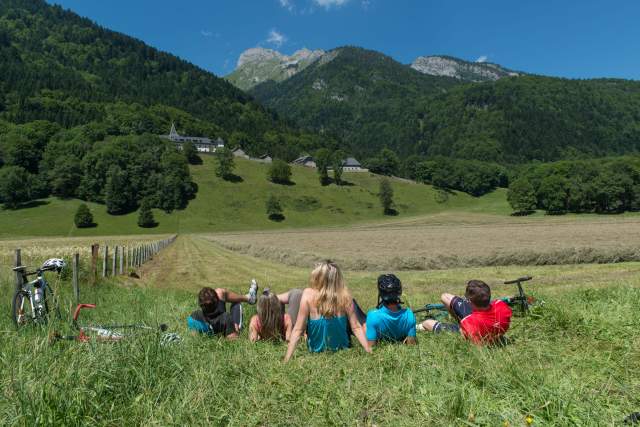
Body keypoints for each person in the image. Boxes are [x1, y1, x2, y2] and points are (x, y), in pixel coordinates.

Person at [284, 260, 371, 361]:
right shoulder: (345, 296)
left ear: (318, 277)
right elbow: (356, 327)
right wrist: (368, 350)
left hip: (315, 351)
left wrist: (287, 358)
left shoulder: (308, 294)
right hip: (342, 349)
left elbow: (298, 330)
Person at [418, 280, 512, 344]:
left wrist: (462, 329)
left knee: (427, 323)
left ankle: (417, 327)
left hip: (471, 327)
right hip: (478, 319)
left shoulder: (470, 322)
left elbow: (473, 342)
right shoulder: (502, 306)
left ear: (469, 302)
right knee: (445, 297)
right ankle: (459, 320)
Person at [187, 280, 258, 339]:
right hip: (224, 325)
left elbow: (194, 337)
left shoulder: (194, 316)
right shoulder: (226, 318)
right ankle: (248, 298)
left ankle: (249, 298)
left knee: (220, 292)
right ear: (217, 301)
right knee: (236, 304)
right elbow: (233, 340)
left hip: (213, 320)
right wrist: (235, 329)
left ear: (200, 304)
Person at [365, 274, 416, 346]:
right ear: (399, 292)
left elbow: (371, 347)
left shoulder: (372, 316)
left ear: (381, 294)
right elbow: (412, 345)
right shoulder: (409, 315)